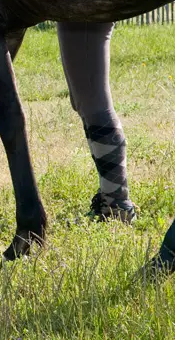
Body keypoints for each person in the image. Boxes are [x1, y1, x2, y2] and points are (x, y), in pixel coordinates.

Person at [57, 22, 136, 223]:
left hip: (83, 10)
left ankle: (116, 204)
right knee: (84, 101)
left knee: (93, 103)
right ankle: (112, 198)